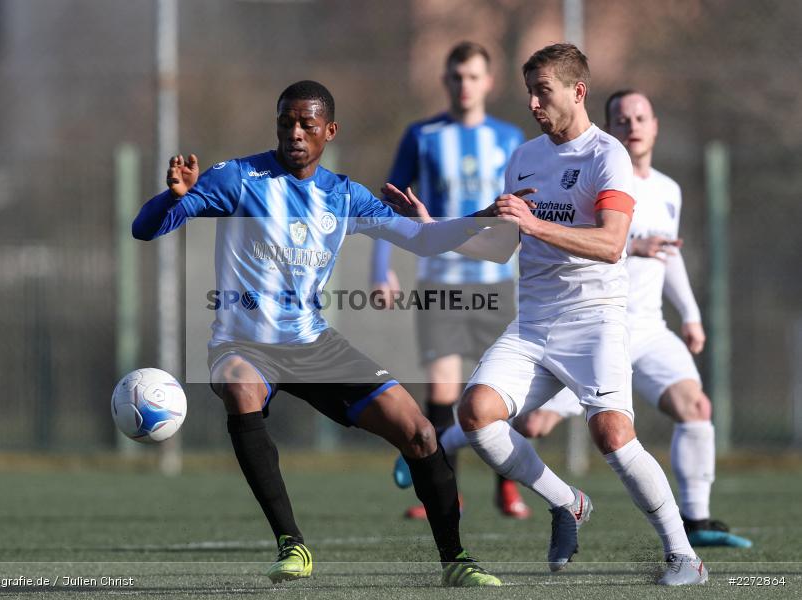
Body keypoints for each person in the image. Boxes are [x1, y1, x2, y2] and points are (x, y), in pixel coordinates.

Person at [132, 80, 504, 587]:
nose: (296, 132)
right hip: (243, 345)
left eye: (308, 124)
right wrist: (169, 197)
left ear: (329, 130)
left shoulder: (344, 195)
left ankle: (456, 560)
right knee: (240, 386)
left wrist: (481, 219)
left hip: (312, 343)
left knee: (418, 432)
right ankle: (292, 545)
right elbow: (146, 229)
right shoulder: (238, 179)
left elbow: (421, 239)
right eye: (286, 122)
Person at [382, 44, 708, 585]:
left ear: (577, 92)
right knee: (476, 414)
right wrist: (434, 224)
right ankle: (568, 503)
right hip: (534, 323)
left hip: (596, 318)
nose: (533, 102)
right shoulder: (526, 157)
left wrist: (535, 225)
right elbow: (500, 246)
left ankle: (684, 555)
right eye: (529, 90)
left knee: (611, 434)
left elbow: (610, 244)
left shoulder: (608, 156)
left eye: (544, 91)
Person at [513, 90, 751, 549]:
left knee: (696, 408)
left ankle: (696, 520)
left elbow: (669, 255)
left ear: (655, 124)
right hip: (597, 325)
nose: (633, 126)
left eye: (641, 117)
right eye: (623, 119)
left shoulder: (667, 189)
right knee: (531, 424)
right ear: (609, 126)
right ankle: (441, 439)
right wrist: (625, 245)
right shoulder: (603, 168)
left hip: (649, 328)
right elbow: (600, 240)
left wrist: (692, 315)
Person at [371, 41, 531, 520]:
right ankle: (449, 492)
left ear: (489, 82)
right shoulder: (422, 135)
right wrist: (382, 269)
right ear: (446, 81)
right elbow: (391, 205)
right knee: (443, 391)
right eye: (457, 76)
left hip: (497, 281)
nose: (465, 85)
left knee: (501, 391)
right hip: (440, 281)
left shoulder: (509, 138)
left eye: (474, 76)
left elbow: (520, 210)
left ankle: (510, 485)